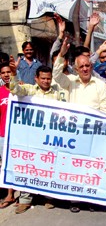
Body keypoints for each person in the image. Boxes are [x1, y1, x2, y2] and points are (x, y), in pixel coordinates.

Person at [10, 64, 63, 214]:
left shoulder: (57, 93)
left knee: (49, 167)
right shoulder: (29, 89)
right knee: (28, 166)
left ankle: (48, 198)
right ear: (36, 78)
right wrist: (14, 74)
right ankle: (25, 200)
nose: (46, 81)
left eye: (48, 78)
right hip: (31, 137)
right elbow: (14, 90)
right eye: (43, 78)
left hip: (50, 137)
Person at [53, 38, 106, 115]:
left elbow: (105, 110)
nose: (85, 69)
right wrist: (61, 55)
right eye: (81, 67)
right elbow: (56, 75)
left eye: (87, 66)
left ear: (91, 67)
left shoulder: (101, 85)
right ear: (76, 70)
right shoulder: (70, 81)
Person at [0, 58, 16, 209]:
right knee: (6, 165)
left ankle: (22, 196)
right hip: (3, 134)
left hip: (18, 135)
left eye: (8, 72)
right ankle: (9, 194)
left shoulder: (21, 88)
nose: (6, 75)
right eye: (3, 73)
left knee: (17, 165)